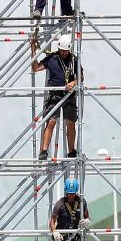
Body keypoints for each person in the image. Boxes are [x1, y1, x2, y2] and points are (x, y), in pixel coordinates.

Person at [33, 32, 82, 160]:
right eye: (62, 50)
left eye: (66, 51)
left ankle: (71, 151)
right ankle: (44, 151)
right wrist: (33, 52)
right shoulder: (52, 59)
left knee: (70, 123)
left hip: (69, 95)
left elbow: (81, 77)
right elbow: (36, 68)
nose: (63, 53)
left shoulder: (73, 60)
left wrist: (74, 82)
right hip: (54, 95)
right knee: (51, 122)